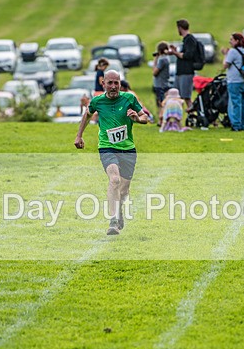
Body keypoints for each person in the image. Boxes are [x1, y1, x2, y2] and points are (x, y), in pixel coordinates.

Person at [74, 70, 150, 235]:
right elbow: (87, 115)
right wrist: (79, 135)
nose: (114, 86)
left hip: (128, 149)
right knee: (114, 180)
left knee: (124, 191)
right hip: (107, 147)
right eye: (110, 83)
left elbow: (145, 117)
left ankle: (119, 210)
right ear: (103, 84)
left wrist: (137, 119)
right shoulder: (97, 101)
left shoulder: (129, 98)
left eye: (117, 83)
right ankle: (113, 221)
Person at [168, 19, 203, 109]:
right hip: (180, 72)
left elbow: (188, 55)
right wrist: (176, 51)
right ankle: (176, 115)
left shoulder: (190, 39)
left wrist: (175, 53)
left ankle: (192, 115)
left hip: (187, 72)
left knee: (186, 97)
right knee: (175, 95)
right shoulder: (185, 40)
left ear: (180, 28)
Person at [222, 32, 244, 132]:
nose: (230, 41)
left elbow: (225, 65)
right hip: (243, 80)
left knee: (235, 103)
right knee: (243, 103)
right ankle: (243, 123)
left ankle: (236, 124)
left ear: (237, 41)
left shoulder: (233, 52)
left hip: (234, 81)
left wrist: (225, 55)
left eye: (232, 39)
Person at [152, 41, 171, 125]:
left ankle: (161, 120)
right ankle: (162, 119)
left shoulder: (162, 60)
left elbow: (155, 72)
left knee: (161, 103)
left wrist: (155, 60)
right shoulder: (166, 58)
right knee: (162, 102)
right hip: (164, 83)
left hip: (160, 85)